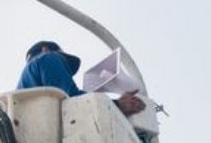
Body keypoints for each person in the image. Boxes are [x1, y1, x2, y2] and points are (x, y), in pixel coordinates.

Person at [16, 40, 146, 117]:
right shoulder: (48, 58)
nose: (63, 68)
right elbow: (69, 98)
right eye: (63, 61)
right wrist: (118, 105)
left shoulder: (25, 83)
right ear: (45, 50)